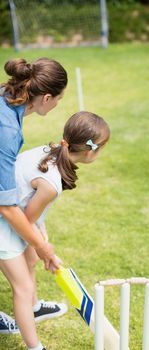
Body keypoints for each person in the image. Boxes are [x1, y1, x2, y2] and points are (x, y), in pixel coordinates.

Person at [0, 111, 110, 350]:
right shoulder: (52, 184)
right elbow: (26, 220)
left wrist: (41, 233)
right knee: (22, 287)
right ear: (91, 151)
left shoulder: (48, 151)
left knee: (30, 260)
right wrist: (45, 248)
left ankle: (35, 307)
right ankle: (35, 347)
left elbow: (30, 208)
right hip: (4, 222)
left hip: (12, 214)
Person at [0, 58, 67, 348]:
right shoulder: (7, 131)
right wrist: (43, 247)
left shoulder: (6, 98)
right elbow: (6, 207)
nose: (58, 105)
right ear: (47, 98)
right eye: (59, 99)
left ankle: (34, 306)